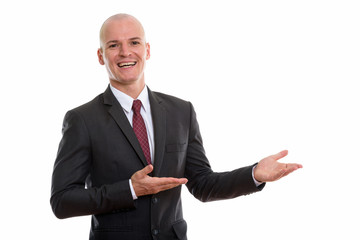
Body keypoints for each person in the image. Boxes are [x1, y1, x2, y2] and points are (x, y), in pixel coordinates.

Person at [50, 13, 302, 240]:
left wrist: (254, 174)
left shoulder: (181, 111)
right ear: (100, 55)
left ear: (147, 50)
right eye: (113, 45)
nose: (125, 52)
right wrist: (130, 190)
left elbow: (203, 184)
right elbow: (62, 201)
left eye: (134, 42)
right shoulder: (82, 119)